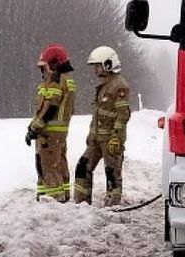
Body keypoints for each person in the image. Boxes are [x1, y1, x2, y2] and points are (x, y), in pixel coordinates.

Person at [74, 46, 131, 207]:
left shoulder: (119, 85)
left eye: (97, 65)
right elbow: (99, 114)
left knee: (112, 172)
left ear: (107, 64)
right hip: (97, 139)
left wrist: (116, 138)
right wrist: (91, 136)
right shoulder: (104, 86)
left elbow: (123, 114)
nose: (95, 69)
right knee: (82, 167)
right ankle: (81, 203)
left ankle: (113, 205)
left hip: (110, 140)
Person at [26, 44, 76, 202]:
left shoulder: (55, 82)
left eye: (44, 67)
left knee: (49, 166)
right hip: (58, 133)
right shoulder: (66, 81)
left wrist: (35, 127)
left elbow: (50, 107)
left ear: (54, 65)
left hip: (49, 133)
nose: (42, 71)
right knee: (58, 163)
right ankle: (62, 195)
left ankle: (53, 199)